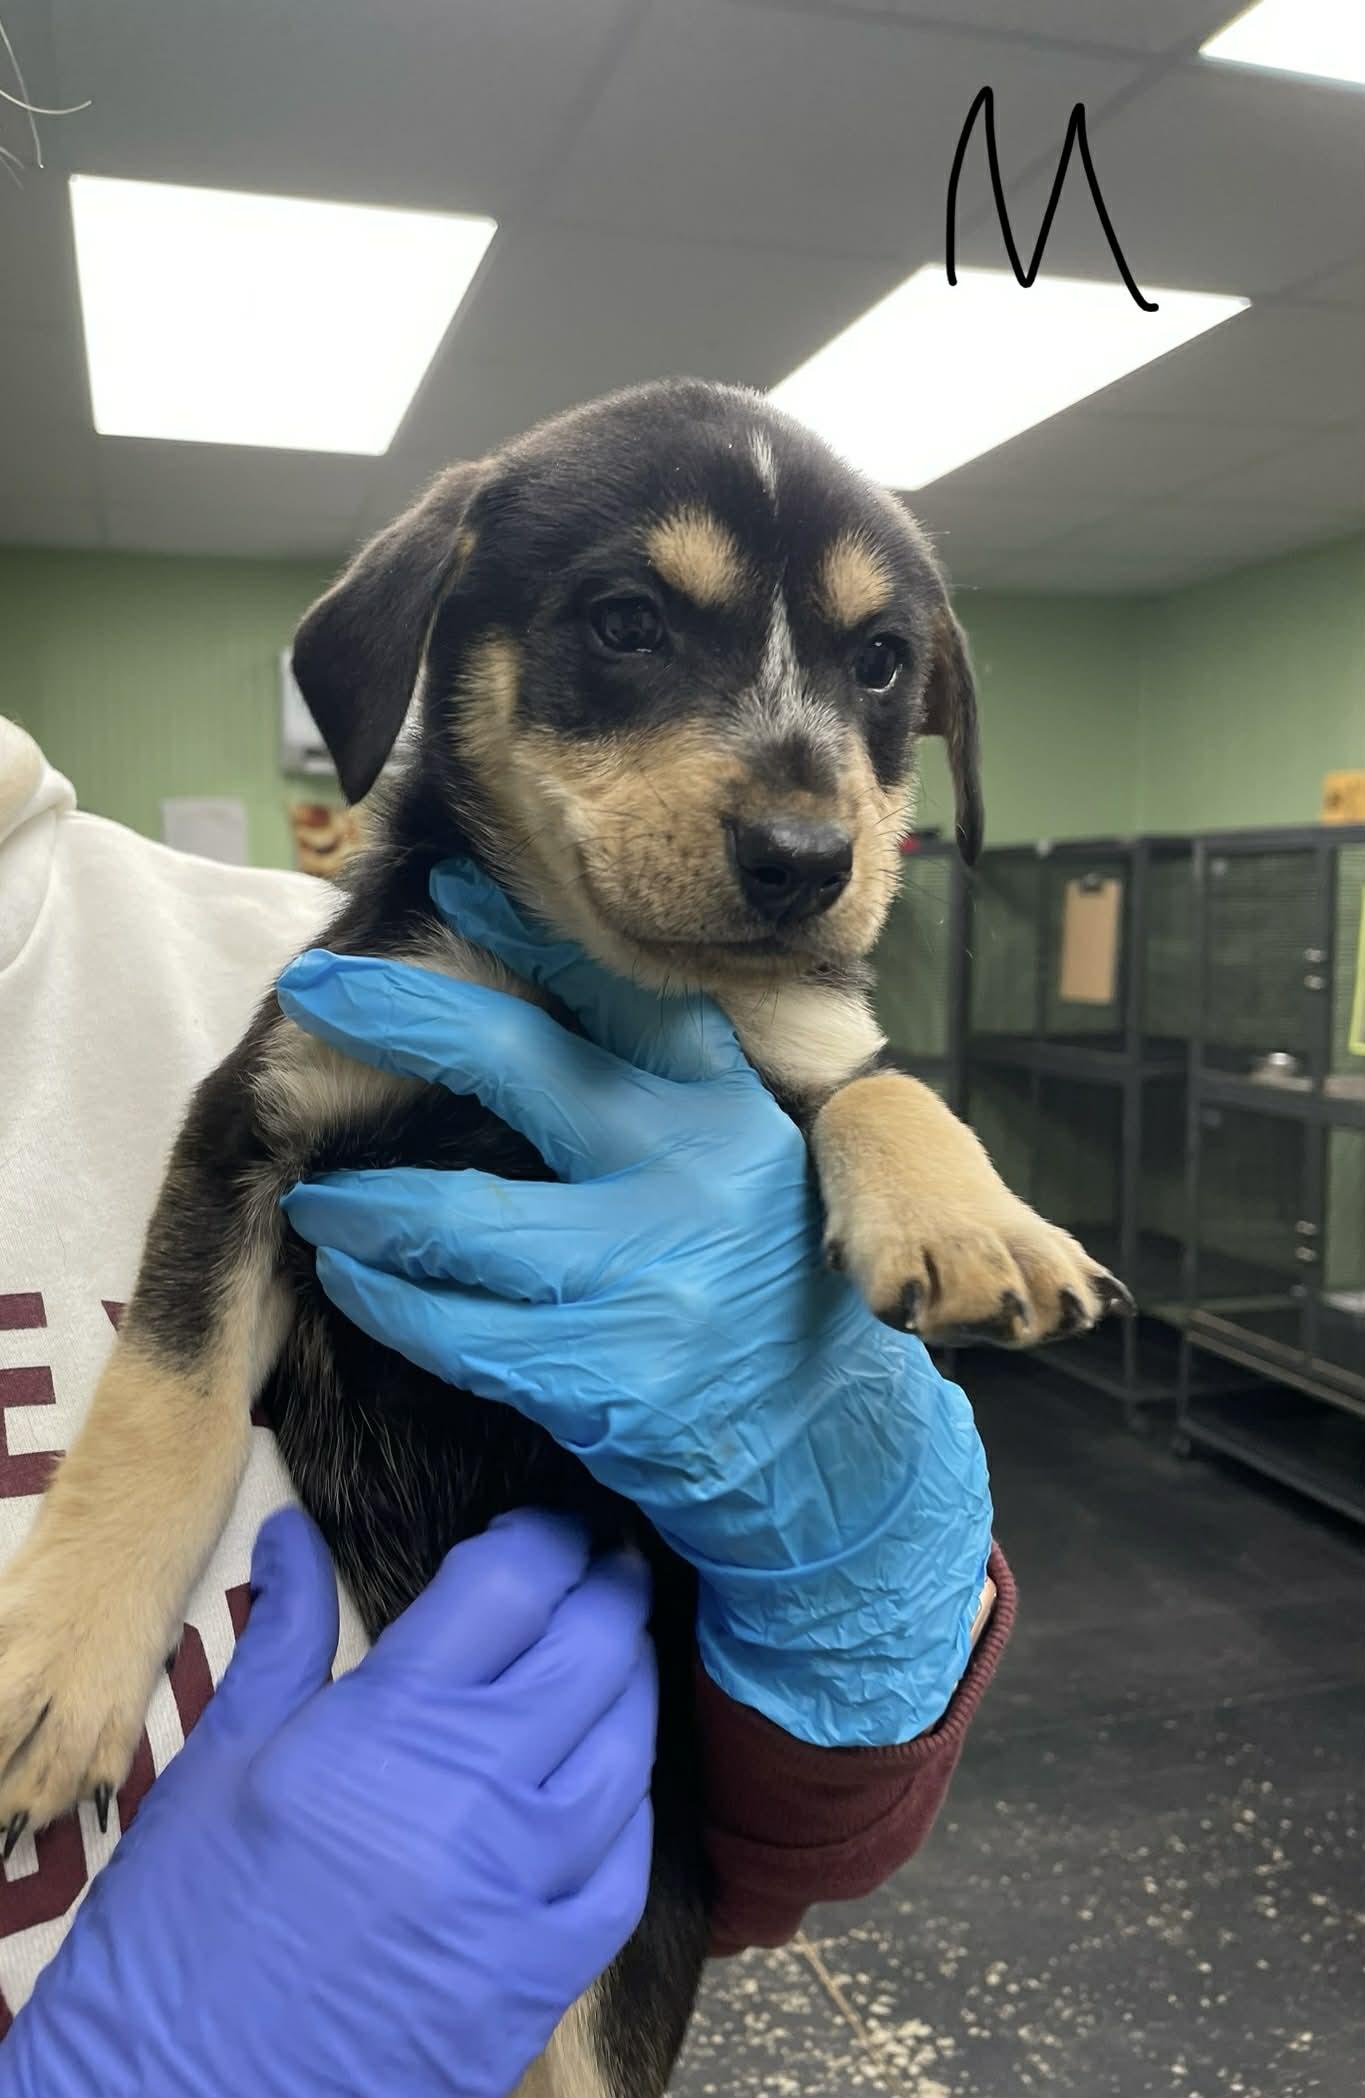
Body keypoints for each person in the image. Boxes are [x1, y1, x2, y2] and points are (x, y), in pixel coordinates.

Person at [0, 714, 1014, 2092]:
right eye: (627, 626)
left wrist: (857, 1555)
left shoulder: (295, 943)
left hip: (590, 1882)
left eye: (878, 672)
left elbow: (766, 1862)